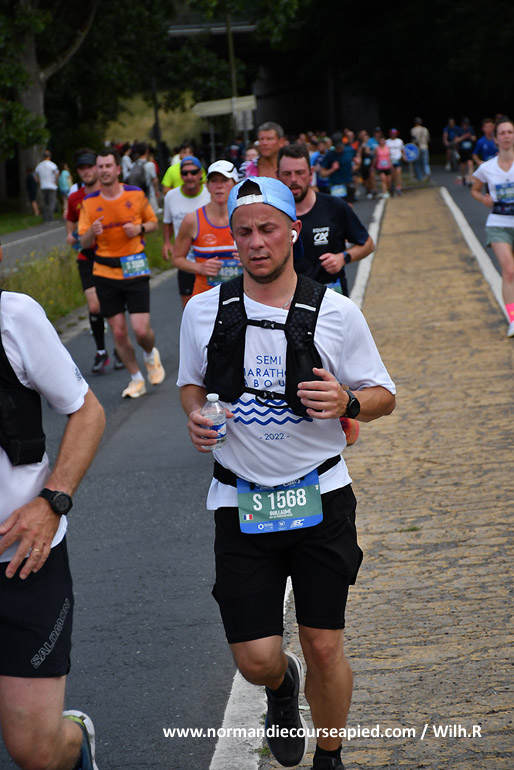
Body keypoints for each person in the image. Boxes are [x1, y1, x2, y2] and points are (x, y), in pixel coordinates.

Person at [177, 175, 396, 770]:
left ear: (292, 231)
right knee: (255, 659)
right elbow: (191, 385)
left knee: (324, 645)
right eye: (244, 231)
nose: (256, 242)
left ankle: (330, 756)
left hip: (320, 493)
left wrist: (349, 402)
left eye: (268, 229)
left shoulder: (336, 313)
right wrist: (197, 415)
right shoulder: (203, 311)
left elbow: (383, 395)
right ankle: (280, 686)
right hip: (240, 500)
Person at [0, 288, 105, 770]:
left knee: (36, 751)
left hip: (24, 563)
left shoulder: (13, 317)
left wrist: (52, 502)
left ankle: (76, 742)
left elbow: (88, 411)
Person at [278, 142, 375, 446]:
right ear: (278, 175)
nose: (293, 179)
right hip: (287, 304)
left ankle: (343, 412)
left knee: (331, 364)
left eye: (299, 172)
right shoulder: (275, 215)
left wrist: (343, 258)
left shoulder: (334, 207)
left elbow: (367, 243)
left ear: (311, 173)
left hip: (330, 302)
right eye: (286, 174)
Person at [78, 149, 165, 399]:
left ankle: (149, 354)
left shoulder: (134, 194)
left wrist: (138, 228)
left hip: (134, 266)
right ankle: (136, 378)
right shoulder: (89, 202)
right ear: (97, 171)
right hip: (105, 271)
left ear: (117, 169)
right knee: (118, 332)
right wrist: (91, 232)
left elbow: (153, 223)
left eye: (108, 166)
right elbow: (83, 242)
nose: (104, 170)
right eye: (100, 166)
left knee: (141, 330)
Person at [66, 147, 122, 375]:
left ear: (97, 169)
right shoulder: (74, 197)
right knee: (94, 306)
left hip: (111, 255)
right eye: (82, 168)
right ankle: (101, 351)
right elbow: (70, 223)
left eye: (90, 167)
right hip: (87, 256)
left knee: (115, 305)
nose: (86, 172)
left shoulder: (109, 192)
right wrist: (71, 235)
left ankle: (120, 347)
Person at [172, 160, 240, 299]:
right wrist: (200, 268)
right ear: (207, 186)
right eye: (214, 181)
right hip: (205, 297)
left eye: (224, 180)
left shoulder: (246, 217)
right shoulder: (192, 220)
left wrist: (249, 261)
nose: (219, 186)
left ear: (235, 185)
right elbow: (177, 258)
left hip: (240, 296)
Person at [471, 116, 514, 337]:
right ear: (495, 138)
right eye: (502, 133)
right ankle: (513, 319)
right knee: (509, 271)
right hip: (498, 223)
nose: (506, 136)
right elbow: (475, 189)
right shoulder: (487, 168)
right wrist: (484, 200)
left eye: (510, 132)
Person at [162, 155, 211, 307]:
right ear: (180, 175)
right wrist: (167, 243)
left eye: (194, 172)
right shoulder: (171, 196)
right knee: (189, 307)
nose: (189, 176)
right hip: (185, 260)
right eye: (185, 173)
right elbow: (167, 222)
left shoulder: (210, 194)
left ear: (200, 174)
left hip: (209, 258)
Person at [320, 132, 357, 203]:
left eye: (340, 146)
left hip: (348, 183)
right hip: (335, 185)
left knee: (348, 206)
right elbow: (322, 174)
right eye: (337, 147)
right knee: (337, 207)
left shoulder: (350, 150)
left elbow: (357, 161)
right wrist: (332, 169)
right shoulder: (329, 154)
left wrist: (356, 164)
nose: (339, 149)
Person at [35, 150, 59, 222]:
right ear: (49, 157)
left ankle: (45, 218)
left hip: (43, 186)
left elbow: (35, 175)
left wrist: (39, 182)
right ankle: (50, 218)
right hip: (51, 186)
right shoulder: (52, 165)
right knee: (51, 202)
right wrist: (56, 181)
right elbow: (57, 173)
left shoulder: (39, 165)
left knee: (45, 203)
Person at [455, 117, 476, 185]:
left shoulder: (470, 129)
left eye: (466, 124)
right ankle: (463, 177)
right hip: (462, 150)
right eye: (464, 124)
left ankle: (470, 179)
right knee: (463, 165)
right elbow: (456, 140)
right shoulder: (459, 130)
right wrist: (464, 137)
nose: (465, 125)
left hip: (469, 150)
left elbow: (474, 138)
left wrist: (470, 137)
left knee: (470, 163)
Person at [372, 134, 393, 198]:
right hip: (380, 166)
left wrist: (391, 164)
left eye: (383, 141)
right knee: (383, 179)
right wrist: (373, 165)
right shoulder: (377, 148)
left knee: (388, 180)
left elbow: (389, 157)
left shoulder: (387, 147)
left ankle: (389, 190)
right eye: (381, 141)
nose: (382, 142)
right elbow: (375, 157)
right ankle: (384, 192)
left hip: (387, 166)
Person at [386, 128, 406, 195]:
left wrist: (404, 156)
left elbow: (402, 149)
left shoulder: (399, 141)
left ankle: (399, 187)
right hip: (390, 160)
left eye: (394, 133)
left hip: (397, 159)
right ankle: (392, 187)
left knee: (398, 173)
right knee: (392, 175)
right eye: (392, 133)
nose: (393, 135)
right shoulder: (387, 141)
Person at [410, 117, 431, 182]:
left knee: (417, 163)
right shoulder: (425, 129)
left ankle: (419, 177)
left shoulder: (413, 130)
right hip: (425, 147)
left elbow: (413, 139)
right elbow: (428, 139)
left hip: (417, 148)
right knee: (425, 162)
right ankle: (427, 172)